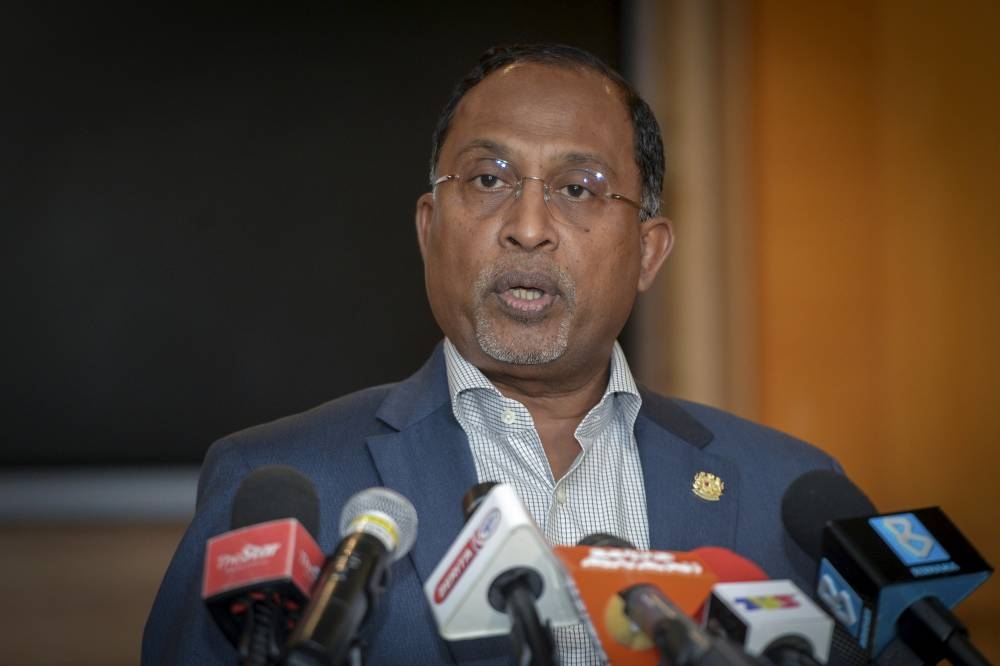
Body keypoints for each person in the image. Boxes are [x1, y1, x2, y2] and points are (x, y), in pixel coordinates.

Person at [143, 44, 843, 665]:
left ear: (648, 253)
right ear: (429, 228)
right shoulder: (280, 491)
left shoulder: (788, 497)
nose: (529, 227)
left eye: (578, 189)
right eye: (488, 180)